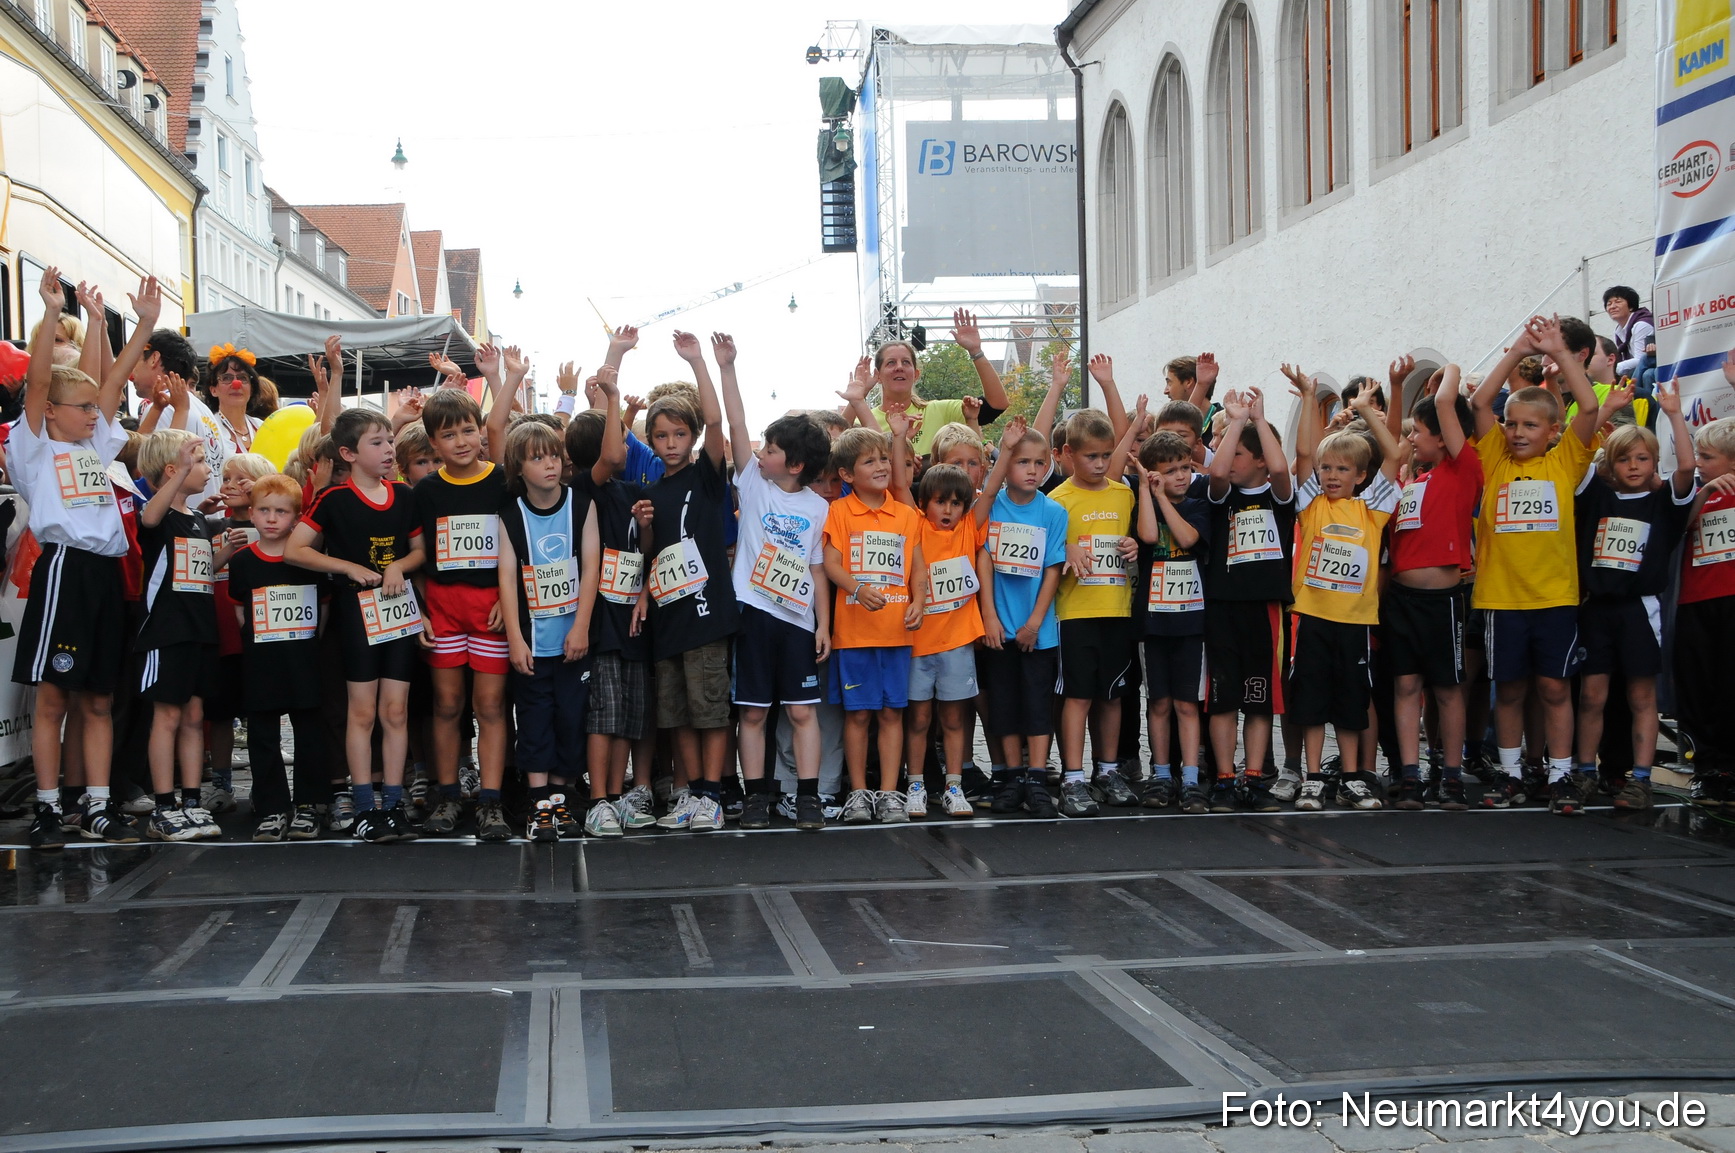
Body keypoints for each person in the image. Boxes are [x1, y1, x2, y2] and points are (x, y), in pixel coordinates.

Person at [11, 269, 159, 848]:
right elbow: (40, 380)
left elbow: (111, 382)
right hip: (66, 569)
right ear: (50, 411)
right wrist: (52, 314)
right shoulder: (34, 447)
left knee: (99, 698)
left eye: (96, 410)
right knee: (54, 696)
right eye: (80, 408)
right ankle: (49, 807)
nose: (95, 414)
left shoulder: (96, 442)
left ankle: (96, 805)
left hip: (103, 574)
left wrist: (142, 324)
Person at [1468, 314, 1603, 812]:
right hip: (1502, 598)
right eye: (1512, 424)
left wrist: (1559, 353)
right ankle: (1509, 774)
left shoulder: (1565, 460)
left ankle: (1561, 775)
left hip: (1554, 598)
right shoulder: (1495, 460)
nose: (1518, 432)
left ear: (1553, 431)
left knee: (1552, 687)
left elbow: (1587, 404)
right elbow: (1480, 401)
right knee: (1509, 690)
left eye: (1530, 425)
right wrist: (1518, 347)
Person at [287, 408, 425, 843]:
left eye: (389, 441)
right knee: (362, 712)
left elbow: (420, 550)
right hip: (356, 615)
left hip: (398, 612)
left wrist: (398, 566)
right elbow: (296, 550)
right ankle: (365, 807)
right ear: (348, 453)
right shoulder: (333, 498)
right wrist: (347, 567)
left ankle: (394, 802)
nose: (388, 450)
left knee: (396, 711)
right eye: (377, 443)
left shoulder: (404, 495)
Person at [716, 336, 833, 831]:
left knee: (804, 713)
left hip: (798, 623)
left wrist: (823, 623)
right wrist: (727, 367)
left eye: (772, 448)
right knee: (754, 714)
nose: (761, 453)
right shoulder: (752, 483)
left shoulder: (817, 506)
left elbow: (814, 567)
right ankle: (757, 796)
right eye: (763, 447)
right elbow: (736, 424)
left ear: (797, 464)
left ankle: (807, 797)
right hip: (753, 616)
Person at [1571, 381, 1696, 812]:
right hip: (1597, 610)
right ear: (1612, 463)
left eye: (1643, 458)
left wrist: (1675, 414)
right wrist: (1605, 409)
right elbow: (1579, 448)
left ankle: (1640, 779)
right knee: (1592, 696)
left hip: (1640, 610)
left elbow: (1686, 466)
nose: (1634, 465)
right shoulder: (1597, 497)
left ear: (1653, 460)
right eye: (1624, 458)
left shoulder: (1664, 504)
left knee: (1641, 697)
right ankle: (1585, 771)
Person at [410, 347, 515, 840]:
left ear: (479, 430)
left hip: (491, 609)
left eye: (467, 430)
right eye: (448, 435)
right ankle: (448, 795)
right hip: (444, 610)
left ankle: (491, 801)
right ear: (433, 442)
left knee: (491, 706)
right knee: (448, 705)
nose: (460, 441)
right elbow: (420, 557)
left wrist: (506, 600)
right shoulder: (426, 492)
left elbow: (516, 550)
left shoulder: (501, 483)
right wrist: (421, 612)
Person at [1286, 372, 1402, 811]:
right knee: (1312, 700)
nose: (1332, 476)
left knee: (1353, 702)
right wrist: (1312, 399)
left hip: (1355, 622)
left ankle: (1352, 775)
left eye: (1342, 469)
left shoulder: (1372, 510)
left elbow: (1395, 452)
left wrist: (1368, 409)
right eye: (1326, 469)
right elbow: (1303, 453)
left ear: (1361, 475)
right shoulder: (1312, 505)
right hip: (1313, 618)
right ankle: (1314, 777)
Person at [645, 332, 741, 832]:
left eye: (679, 434)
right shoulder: (651, 490)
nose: (671, 444)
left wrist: (700, 361)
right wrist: (642, 524)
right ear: (651, 440)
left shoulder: (706, 476)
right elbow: (649, 557)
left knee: (710, 710)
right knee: (676, 713)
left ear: (691, 436)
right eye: (661, 436)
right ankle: (687, 795)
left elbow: (717, 420)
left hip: (706, 616)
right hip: (668, 618)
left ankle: (712, 795)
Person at [135, 429, 246, 840]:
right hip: (168, 630)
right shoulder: (158, 514)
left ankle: (192, 801)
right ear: (173, 469)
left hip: (201, 628)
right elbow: (148, 517)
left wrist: (224, 554)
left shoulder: (197, 518)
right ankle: (164, 806)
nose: (207, 469)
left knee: (195, 716)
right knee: (167, 715)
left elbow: (196, 572)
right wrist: (180, 475)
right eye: (199, 461)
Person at [1382, 362, 1480, 810]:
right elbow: (1389, 450)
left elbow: (1445, 403)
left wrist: (1450, 373)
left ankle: (1452, 774)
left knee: (1447, 688)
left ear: (1443, 435)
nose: (1412, 438)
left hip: (1443, 601)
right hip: (1401, 599)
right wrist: (1396, 388)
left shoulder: (1462, 470)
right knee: (1406, 686)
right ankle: (1410, 773)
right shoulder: (1412, 482)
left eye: (1419, 431)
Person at [498, 416, 600, 840]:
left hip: (572, 640)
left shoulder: (581, 505)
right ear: (519, 468)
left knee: (571, 716)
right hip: (532, 642)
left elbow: (592, 568)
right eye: (537, 459)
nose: (549, 465)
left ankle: (562, 798)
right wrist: (515, 639)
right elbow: (506, 577)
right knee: (535, 719)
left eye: (554, 456)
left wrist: (581, 626)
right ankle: (538, 803)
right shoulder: (511, 514)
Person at [567, 370, 657, 833]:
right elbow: (610, 453)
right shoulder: (584, 490)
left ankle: (618, 796)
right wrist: (615, 396)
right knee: (602, 713)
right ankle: (598, 798)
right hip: (600, 621)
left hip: (633, 620)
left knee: (627, 715)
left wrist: (645, 526)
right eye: (618, 433)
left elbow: (645, 551)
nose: (624, 443)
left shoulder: (634, 492)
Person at [823, 425, 927, 823]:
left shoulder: (905, 514)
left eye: (884, 458)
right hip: (854, 634)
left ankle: (888, 793)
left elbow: (918, 567)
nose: (882, 466)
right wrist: (857, 587)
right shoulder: (839, 511)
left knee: (891, 713)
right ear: (847, 474)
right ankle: (859, 793)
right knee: (858, 714)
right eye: (870, 461)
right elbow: (831, 563)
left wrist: (918, 600)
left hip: (897, 633)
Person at [225, 473, 333, 840]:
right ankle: (272, 806)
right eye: (264, 511)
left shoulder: (308, 559)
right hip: (261, 663)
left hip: (303, 659)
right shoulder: (241, 562)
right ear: (251, 514)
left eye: (282, 512)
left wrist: (310, 646)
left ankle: (308, 804)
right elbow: (240, 611)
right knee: (263, 736)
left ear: (297, 518)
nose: (272, 519)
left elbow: (323, 608)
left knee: (309, 733)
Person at [1203, 384, 1295, 812]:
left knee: (1259, 699)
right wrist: (1234, 420)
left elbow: (1280, 470)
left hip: (1264, 608)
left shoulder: (1277, 498)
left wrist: (1259, 420)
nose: (1228, 459)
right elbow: (1217, 473)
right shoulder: (1221, 498)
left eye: (1238, 452)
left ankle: (1254, 776)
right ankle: (1224, 776)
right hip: (1222, 607)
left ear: (1258, 458)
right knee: (1222, 699)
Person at [1049, 401, 1142, 817]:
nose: (1101, 463)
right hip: (1074, 614)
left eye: (1107, 455)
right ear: (1069, 454)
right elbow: (1046, 552)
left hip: (1116, 609)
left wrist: (1133, 547)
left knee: (1112, 697)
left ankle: (1107, 771)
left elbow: (1135, 541)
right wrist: (1064, 548)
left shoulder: (1124, 494)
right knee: (1078, 696)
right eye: (1091, 456)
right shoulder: (1057, 500)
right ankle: (1072, 777)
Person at [976, 416, 1068, 816]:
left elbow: (1052, 568)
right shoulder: (991, 506)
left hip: (1038, 630)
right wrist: (990, 617)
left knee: (1036, 706)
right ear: (1006, 464)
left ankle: (1035, 777)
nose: (1032, 470)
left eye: (1039, 463)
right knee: (1004, 706)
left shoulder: (1053, 511)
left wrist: (1034, 622)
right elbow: (982, 556)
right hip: (998, 627)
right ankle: (1012, 776)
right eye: (1022, 461)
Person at [894, 446, 985, 820]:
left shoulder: (967, 528)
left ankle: (953, 786)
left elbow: (990, 490)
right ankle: (915, 784)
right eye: (940, 502)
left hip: (957, 645)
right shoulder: (913, 524)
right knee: (918, 720)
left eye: (956, 504)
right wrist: (899, 436)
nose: (948, 511)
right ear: (923, 503)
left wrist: (1009, 448)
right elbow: (900, 487)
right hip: (916, 644)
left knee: (952, 719)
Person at [1132, 430, 1212, 812]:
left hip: (1191, 625)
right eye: (1170, 470)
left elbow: (1187, 536)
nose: (1181, 475)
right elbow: (1148, 535)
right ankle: (1161, 773)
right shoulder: (1144, 503)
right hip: (1153, 624)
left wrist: (1163, 495)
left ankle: (1191, 777)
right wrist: (1149, 493)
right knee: (1159, 702)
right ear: (1152, 474)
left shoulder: (1198, 505)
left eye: (1185, 467)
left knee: (1186, 704)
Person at [1676, 416, 1735, 806]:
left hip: (1730, 600)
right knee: (1697, 686)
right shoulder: (1702, 493)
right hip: (1695, 602)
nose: (1698, 463)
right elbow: (1677, 526)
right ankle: (1705, 770)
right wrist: (1703, 492)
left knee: (1729, 687)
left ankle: (1728, 768)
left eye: (1707, 457)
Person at [866, 310, 1010, 457]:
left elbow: (997, 404)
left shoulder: (940, 410)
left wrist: (976, 351)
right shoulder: (864, 420)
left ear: (916, 374)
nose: (899, 367)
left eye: (906, 362)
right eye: (891, 363)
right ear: (877, 375)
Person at [1603, 286, 1656, 386]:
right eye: (1609, 304)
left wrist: (1613, 368)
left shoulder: (1641, 325)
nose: (1612, 306)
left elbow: (1641, 359)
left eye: (1618, 301)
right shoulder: (1619, 330)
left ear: (1631, 306)